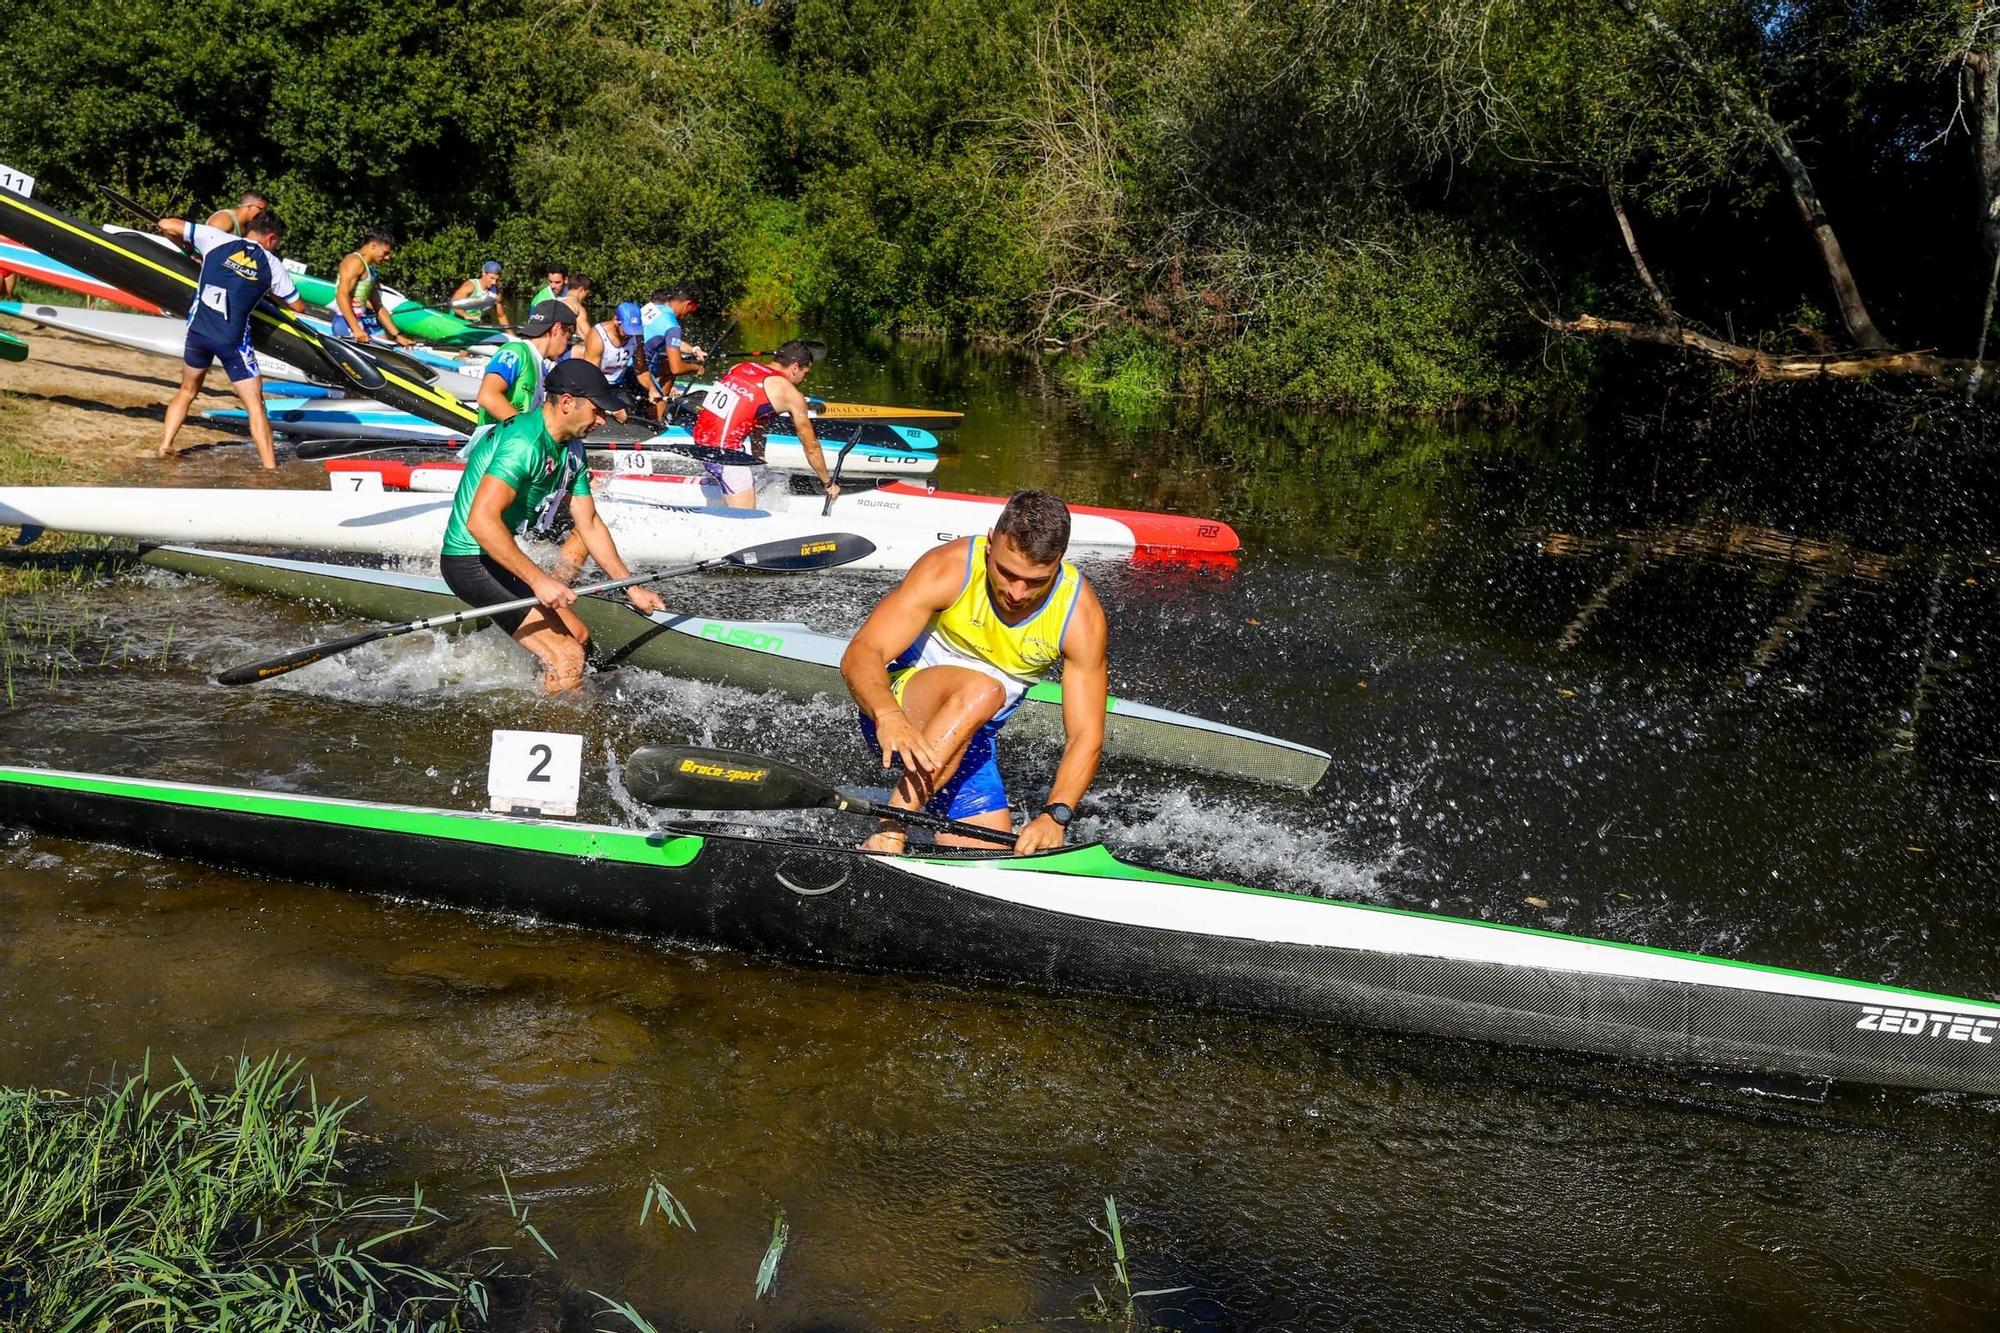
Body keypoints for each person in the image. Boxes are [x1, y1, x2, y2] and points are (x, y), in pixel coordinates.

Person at [841, 491, 1107, 856]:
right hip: (897, 711)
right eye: (1007, 573)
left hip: (970, 739)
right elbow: (861, 653)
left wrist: (1054, 815)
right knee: (986, 690)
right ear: (990, 544)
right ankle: (889, 829)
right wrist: (887, 715)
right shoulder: (948, 569)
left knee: (989, 862)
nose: (1017, 592)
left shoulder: (1080, 618)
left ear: (1058, 563)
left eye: (1035, 581)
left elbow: (1085, 735)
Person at [438, 359, 665, 692]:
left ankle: (540, 695)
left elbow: (588, 523)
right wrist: (540, 581)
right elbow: (480, 522)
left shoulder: (572, 448)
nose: (601, 421)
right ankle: (561, 736)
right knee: (568, 658)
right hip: (469, 560)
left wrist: (630, 587)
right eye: (597, 411)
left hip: (496, 557)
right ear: (568, 403)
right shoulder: (524, 443)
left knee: (579, 639)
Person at [155, 211, 309, 470]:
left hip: (198, 333)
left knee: (187, 391)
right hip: (232, 342)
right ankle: (270, 468)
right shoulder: (272, 265)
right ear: (271, 238)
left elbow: (165, 225)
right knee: (255, 406)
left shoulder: (215, 238)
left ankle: (165, 445)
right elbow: (298, 306)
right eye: (278, 243)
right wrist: (268, 292)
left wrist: (191, 252)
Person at [689, 339, 836, 509]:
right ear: (795, 367)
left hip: (700, 443)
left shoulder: (740, 367)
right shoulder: (789, 393)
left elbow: (754, 422)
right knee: (746, 520)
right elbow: (811, 447)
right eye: (806, 372)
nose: (804, 379)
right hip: (726, 455)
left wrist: (758, 461)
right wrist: (827, 483)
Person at [475, 300, 576, 426]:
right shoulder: (515, 351)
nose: (567, 346)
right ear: (556, 328)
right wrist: (526, 430)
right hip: (494, 442)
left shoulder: (539, 364)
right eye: (568, 338)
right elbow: (487, 396)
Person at [583, 301, 669, 419]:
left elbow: (641, 369)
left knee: (637, 414)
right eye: (627, 330)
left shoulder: (637, 336)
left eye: (634, 330)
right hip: (596, 386)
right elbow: (589, 378)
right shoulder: (597, 337)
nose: (630, 335)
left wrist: (652, 389)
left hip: (617, 385)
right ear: (616, 320)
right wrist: (610, 406)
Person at [330, 230, 414, 347]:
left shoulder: (370, 270)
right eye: (386, 253)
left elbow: (378, 306)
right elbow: (342, 295)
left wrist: (398, 336)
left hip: (362, 321)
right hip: (346, 324)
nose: (388, 257)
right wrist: (357, 330)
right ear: (373, 246)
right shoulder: (354, 261)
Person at [640, 285, 706, 390]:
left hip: (625, 364)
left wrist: (694, 350)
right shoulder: (672, 326)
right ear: (688, 304)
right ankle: (660, 402)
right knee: (672, 367)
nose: (691, 313)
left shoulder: (651, 307)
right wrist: (697, 368)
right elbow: (677, 368)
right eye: (693, 308)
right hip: (639, 372)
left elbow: (671, 341)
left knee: (666, 364)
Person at [451, 260, 512, 330]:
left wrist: (513, 337)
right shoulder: (470, 285)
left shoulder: (497, 293)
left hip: (477, 324)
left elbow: (501, 316)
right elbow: (454, 304)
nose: (494, 282)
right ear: (483, 273)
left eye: (497, 279)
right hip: (457, 322)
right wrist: (466, 315)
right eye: (491, 278)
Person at [204, 191, 269, 236]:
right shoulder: (224, 218)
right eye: (261, 209)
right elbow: (209, 242)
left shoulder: (247, 226)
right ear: (249, 206)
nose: (263, 213)